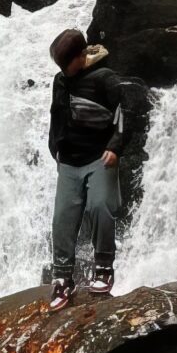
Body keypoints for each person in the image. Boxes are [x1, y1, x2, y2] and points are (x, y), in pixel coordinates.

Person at [45, 28, 144, 308]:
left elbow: (125, 113)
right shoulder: (61, 81)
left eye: (68, 63)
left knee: (100, 206)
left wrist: (115, 147)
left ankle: (103, 268)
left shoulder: (105, 79)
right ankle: (62, 279)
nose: (64, 70)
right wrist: (56, 148)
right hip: (69, 161)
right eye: (60, 66)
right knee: (62, 218)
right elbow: (56, 115)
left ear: (81, 56)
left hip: (100, 157)